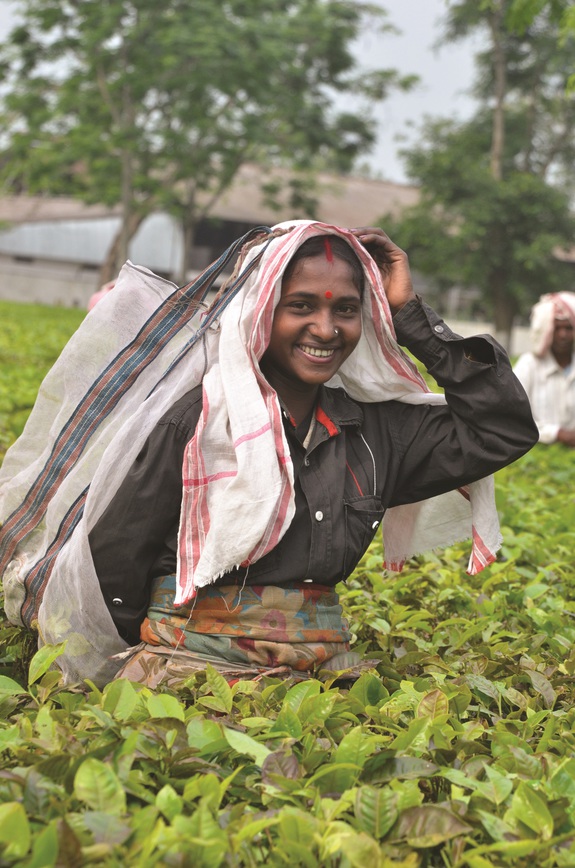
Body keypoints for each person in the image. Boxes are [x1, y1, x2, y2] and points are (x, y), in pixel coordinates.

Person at [0, 222, 538, 687]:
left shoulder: (378, 432)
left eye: (346, 310)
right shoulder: (196, 423)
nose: (326, 330)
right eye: (300, 306)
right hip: (189, 674)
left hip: (319, 677)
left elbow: (502, 429)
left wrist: (409, 314)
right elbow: (116, 566)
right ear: (260, 311)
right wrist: (106, 678)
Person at [513, 292, 575, 447]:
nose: (563, 335)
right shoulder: (528, 365)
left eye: (569, 328)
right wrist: (556, 434)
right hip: (534, 454)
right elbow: (512, 415)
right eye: (557, 328)